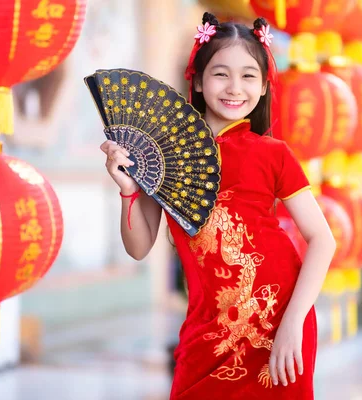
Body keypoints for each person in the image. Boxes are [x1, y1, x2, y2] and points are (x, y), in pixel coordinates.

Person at [99, 12, 336, 400]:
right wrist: (127, 188)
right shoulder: (166, 154)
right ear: (197, 79)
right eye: (221, 73)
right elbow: (139, 247)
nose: (234, 87)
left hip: (279, 324)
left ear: (262, 89)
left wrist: (294, 321)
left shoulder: (273, 154)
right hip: (205, 333)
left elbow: (322, 240)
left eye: (248, 76)